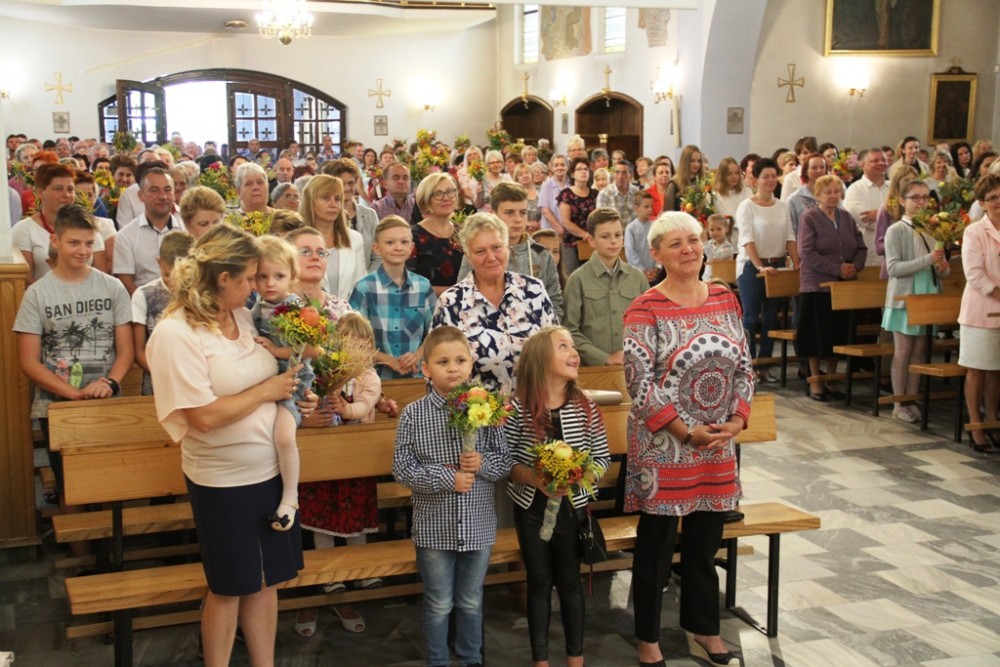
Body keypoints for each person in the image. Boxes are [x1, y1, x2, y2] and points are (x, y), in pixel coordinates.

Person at [146, 224, 304, 667]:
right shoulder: (176, 333)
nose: (256, 286)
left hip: (269, 472)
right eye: (249, 277)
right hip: (222, 482)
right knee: (229, 587)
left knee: (266, 581)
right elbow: (203, 417)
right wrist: (268, 391)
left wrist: (294, 396)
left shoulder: (241, 316)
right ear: (223, 278)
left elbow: (267, 375)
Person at [623, 211, 753, 667]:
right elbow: (639, 382)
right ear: (656, 253)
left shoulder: (724, 297)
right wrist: (683, 432)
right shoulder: (645, 308)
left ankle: (704, 628)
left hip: (716, 445)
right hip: (665, 447)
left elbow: (744, 366)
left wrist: (736, 421)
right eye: (676, 243)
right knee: (656, 550)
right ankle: (648, 639)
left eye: (693, 240)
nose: (688, 249)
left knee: (703, 544)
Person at [392, 325, 512, 667]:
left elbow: (504, 462)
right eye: (442, 362)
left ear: (471, 364)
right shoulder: (414, 414)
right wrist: (448, 477)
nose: (453, 368)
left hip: (477, 526)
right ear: (426, 369)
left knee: (471, 601)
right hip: (434, 528)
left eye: (460, 360)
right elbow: (402, 469)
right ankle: (438, 661)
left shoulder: (487, 409)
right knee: (439, 602)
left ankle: (471, 659)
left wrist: (482, 463)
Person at [14, 204, 133, 538]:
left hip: (106, 401)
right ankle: (81, 554)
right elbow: (29, 361)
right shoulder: (37, 293)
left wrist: (109, 382)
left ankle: (109, 551)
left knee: (108, 481)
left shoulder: (112, 288)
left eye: (88, 243)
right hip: (57, 407)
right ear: (55, 241)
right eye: (74, 243)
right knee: (70, 485)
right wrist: (74, 394)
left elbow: (125, 350)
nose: (82, 251)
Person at [505, 327, 610, 667]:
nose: (573, 352)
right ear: (540, 359)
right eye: (563, 346)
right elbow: (505, 461)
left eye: (573, 346)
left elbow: (601, 456)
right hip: (531, 508)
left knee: (569, 582)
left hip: (572, 509)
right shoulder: (518, 408)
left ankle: (575, 657)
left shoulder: (586, 407)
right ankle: (541, 660)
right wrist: (534, 479)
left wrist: (582, 477)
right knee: (539, 582)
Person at [294, 311, 384, 638]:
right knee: (324, 518)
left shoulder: (369, 377)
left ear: (370, 349)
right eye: (345, 344)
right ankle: (329, 572)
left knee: (355, 517)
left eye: (360, 345)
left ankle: (359, 566)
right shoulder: (324, 373)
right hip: (326, 457)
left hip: (356, 457)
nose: (352, 351)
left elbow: (365, 405)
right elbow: (307, 399)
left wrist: (346, 409)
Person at [432, 213, 557, 394]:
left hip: (536, 405)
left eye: (497, 247)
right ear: (468, 256)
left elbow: (555, 350)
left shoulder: (534, 290)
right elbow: (438, 370)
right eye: (480, 251)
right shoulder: (450, 303)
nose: (491, 257)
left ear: (507, 248)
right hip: (477, 409)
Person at [250, 236, 324, 532]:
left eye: (279, 276)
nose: (270, 283)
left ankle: (290, 497)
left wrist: (276, 349)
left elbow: (313, 350)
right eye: (262, 276)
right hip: (265, 385)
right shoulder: (255, 308)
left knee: (283, 436)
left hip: (293, 384)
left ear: (292, 277)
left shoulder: (297, 308)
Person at [881, 180, 950, 423]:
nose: (921, 202)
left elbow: (940, 271)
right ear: (902, 201)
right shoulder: (896, 230)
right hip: (904, 297)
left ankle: (912, 399)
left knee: (919, 351)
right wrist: (929, 259)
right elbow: (894, 268)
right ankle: (899, 403)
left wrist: (942, 266)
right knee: (903, 351)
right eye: (915, 197)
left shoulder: (932, 228)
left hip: (927, 294)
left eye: (925, 197)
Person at [796, 174, 867, 401]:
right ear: (817, 195)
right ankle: (816, 381)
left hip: (842, 288)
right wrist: (837, 269)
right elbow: (807, 252)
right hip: (817, 286)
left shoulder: (846, 217)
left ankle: (833, 378)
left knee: (837, 334)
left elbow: (861, 247)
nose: (833, 196)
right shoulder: (809, 217)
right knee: (817, 336)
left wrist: (854, 266)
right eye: (828, 192)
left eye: (837, 191)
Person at [456, 182, 564, 320]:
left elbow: (555, 300)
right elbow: (462, 296)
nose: (518, 219)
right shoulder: (478, 254)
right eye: (509, 212)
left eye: (523, 212)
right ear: (493, 214)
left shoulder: (541, 254)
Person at [735, 158, 799, 381]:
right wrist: (760, 265)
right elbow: (747, 239)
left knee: (771, 318)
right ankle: (749, 366)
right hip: (751, 267)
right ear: (756, 180)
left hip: (778, 265)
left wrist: (797, 263)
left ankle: (765, 364)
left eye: (773, 176)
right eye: (766, 176)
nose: (770, 180)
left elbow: (790, 237)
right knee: (751, 317)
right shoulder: (747, 206)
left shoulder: (782, 205)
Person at [350, 216, 437, 380]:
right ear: (376, 248)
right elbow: (352, 340)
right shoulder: (364, 288)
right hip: (374, 380)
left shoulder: (423, 286)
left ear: (411, 247)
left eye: (404, 242)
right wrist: (389, 361)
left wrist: (417, 356)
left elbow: (435, 332)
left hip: (417, 379)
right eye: (390, 243)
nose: (398, 247)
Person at [563, 208, 647, 366]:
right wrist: (604, 358)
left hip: (634, 365)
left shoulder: (638, 278)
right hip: (593, 370)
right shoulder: (577, 280)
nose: (613, 241)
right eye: (605, 236)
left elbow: (648, 324)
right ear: (591, 240)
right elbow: (569, 331)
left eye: (618, 235)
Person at [958, 173, 1000, 452]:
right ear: (982, 203)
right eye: (993, 198)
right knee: (978, 368)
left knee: (997, 370)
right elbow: (974, 274)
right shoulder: (974, 232)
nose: (998, 202)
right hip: (981, 311)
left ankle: (992, 420)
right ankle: (976, 426)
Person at [13, 163, 108, 283]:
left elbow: (101, 276)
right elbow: (25, 280)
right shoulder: (23, 229)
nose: (66, 195)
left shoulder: (88, 226)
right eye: (58, 189)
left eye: (70, 189)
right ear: (40, 193)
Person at [132, 230, 195, 395]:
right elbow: (139, 351)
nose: (173, 281)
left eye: (180, 275)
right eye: (167, 274)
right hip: (157, 384)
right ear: (159, 262)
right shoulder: (144, 295)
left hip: (196, 381)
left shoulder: (201, 295)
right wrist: (165, 376)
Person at [114, 166, 184, 294]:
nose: (163, 196)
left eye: (167, 190)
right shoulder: (126, 236)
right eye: (154, 190)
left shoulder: (186, 232)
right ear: (141, 196)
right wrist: (147, 303)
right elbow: (126, 281)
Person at [299, 174, 366, 300]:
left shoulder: (354, 239)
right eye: (325, 198)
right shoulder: (296, 241)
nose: (333, 204)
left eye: (337, 199)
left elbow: (361, 286)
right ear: (310, 201)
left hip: (349, 310)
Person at [319, 158, 380, 272]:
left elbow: (378, 256)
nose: (347, 188)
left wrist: (365, 280)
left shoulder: (370, 215)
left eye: (351, 183)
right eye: (342, 183)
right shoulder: (323, 215)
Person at [408, 172, 465, 296]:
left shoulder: (464, 232)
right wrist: (454, 292)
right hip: (428, 304)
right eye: (438, 194)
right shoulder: (413, 236)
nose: (446, 197)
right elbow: (408, 284)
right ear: (426, 200)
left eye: (450, 191)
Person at [874, 165, 919, 278]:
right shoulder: (886, 209)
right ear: (897, 183)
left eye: (914, 180)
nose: (910, 184)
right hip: (895, 269)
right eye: (906, 180)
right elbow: (879, 247)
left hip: (919, 267)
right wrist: (900, 245)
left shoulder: (923, 208)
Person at [557, 157, 597, 275]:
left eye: (586, 169)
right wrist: (584, 234)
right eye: (579, 169)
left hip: (591, 243)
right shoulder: (566, 194)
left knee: (591, 277)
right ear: (572, 174)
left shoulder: (595, 194)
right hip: (571, 243)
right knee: (571, 277)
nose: (583, 172)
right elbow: (565, 222)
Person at [787, 153, 830, 235]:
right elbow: (791, 232)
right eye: (814, 168)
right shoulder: (794, 199)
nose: (819, 171)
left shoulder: (832, 195)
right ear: (806, 171)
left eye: (822, 167)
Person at [625, 190, 659, 283]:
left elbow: (659, 247)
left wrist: (657, 267)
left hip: (654, 273)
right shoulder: (631, 228)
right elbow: (630, 252)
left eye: (651, 206)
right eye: (646, 207)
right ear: (636, 208)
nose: (650, 209)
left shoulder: (655, 226)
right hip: (637, 275)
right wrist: (642, 271)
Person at [596, 159, 639, 224]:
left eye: (624, 172)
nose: (620, 176)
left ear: (631, 175)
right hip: (611, 230)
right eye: (617, 172)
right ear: (613, 174)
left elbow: (640, 217)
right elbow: (600, 220)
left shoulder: (636, 192)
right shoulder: (604, 194)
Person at [712, 156, 750, 222]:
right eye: (729, 174)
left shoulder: (747, 192)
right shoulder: (716, 195)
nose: (734, 176)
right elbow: (725, 219)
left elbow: (750, 215)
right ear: (722, 176)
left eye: (736, 173)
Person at [539, 154, 570, 233]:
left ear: (567, 167)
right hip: (551, 232)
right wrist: (561, 230)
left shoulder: (572, 183)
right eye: (556, 165)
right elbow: (545, 211)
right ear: (551, 168)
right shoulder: (546, 184)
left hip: (571, 231)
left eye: (562, 165)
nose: (559, 168)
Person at [703, 213, 737, 282]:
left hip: (721, 282)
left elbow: (713, 258)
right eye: (712, 230)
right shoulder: (710, 243)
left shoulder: (728, 247)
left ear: (726, 229)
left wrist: (704, 242)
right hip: (707, 280)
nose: (715, 232)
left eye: (719, 229)